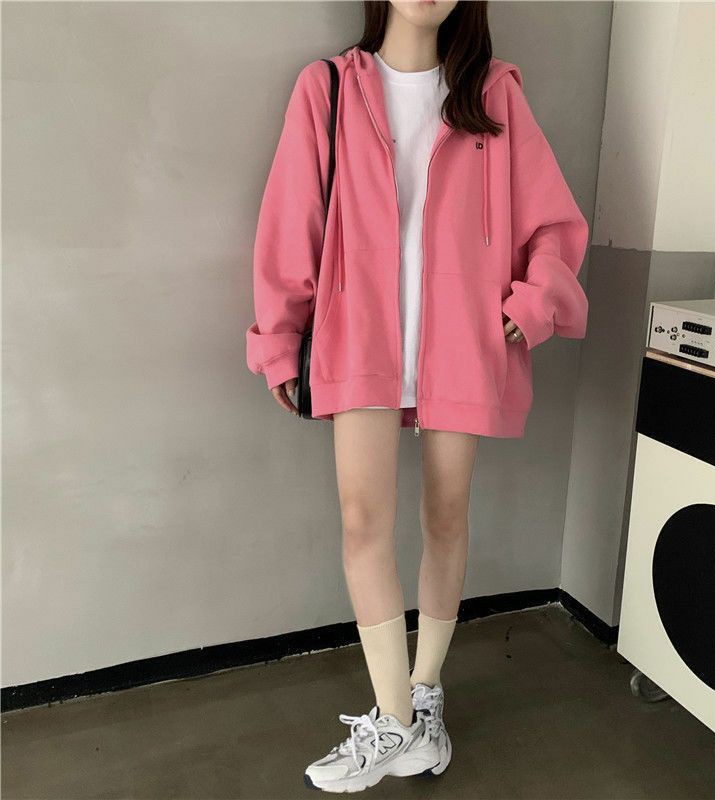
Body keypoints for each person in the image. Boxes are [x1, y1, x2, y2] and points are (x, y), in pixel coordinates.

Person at [246, 0, 589, 792]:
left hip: (460, 345)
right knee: (362, 521)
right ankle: (394, 719)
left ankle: (424, 702)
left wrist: (534, 303)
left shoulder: (493, 93)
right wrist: (279, 338)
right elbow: (290, 224)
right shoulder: (329, 86)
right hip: (359, 337)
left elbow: (554, 222)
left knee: (446, 517)